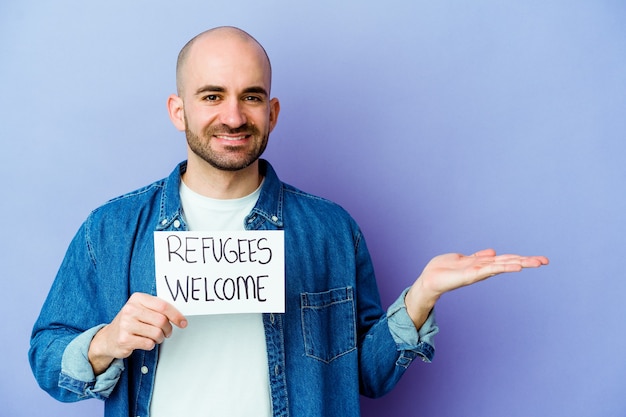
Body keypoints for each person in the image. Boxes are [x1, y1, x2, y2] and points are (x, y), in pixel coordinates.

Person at [29, 26, 549, 417]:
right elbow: (47, 361)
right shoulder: (112, 229)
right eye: (212, 96)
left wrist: (420, 298)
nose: (233, 117)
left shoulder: (329, 231)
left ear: (272, 112)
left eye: (250, 97)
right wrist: (106, 343)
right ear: (178, 110)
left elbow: (366, 377)